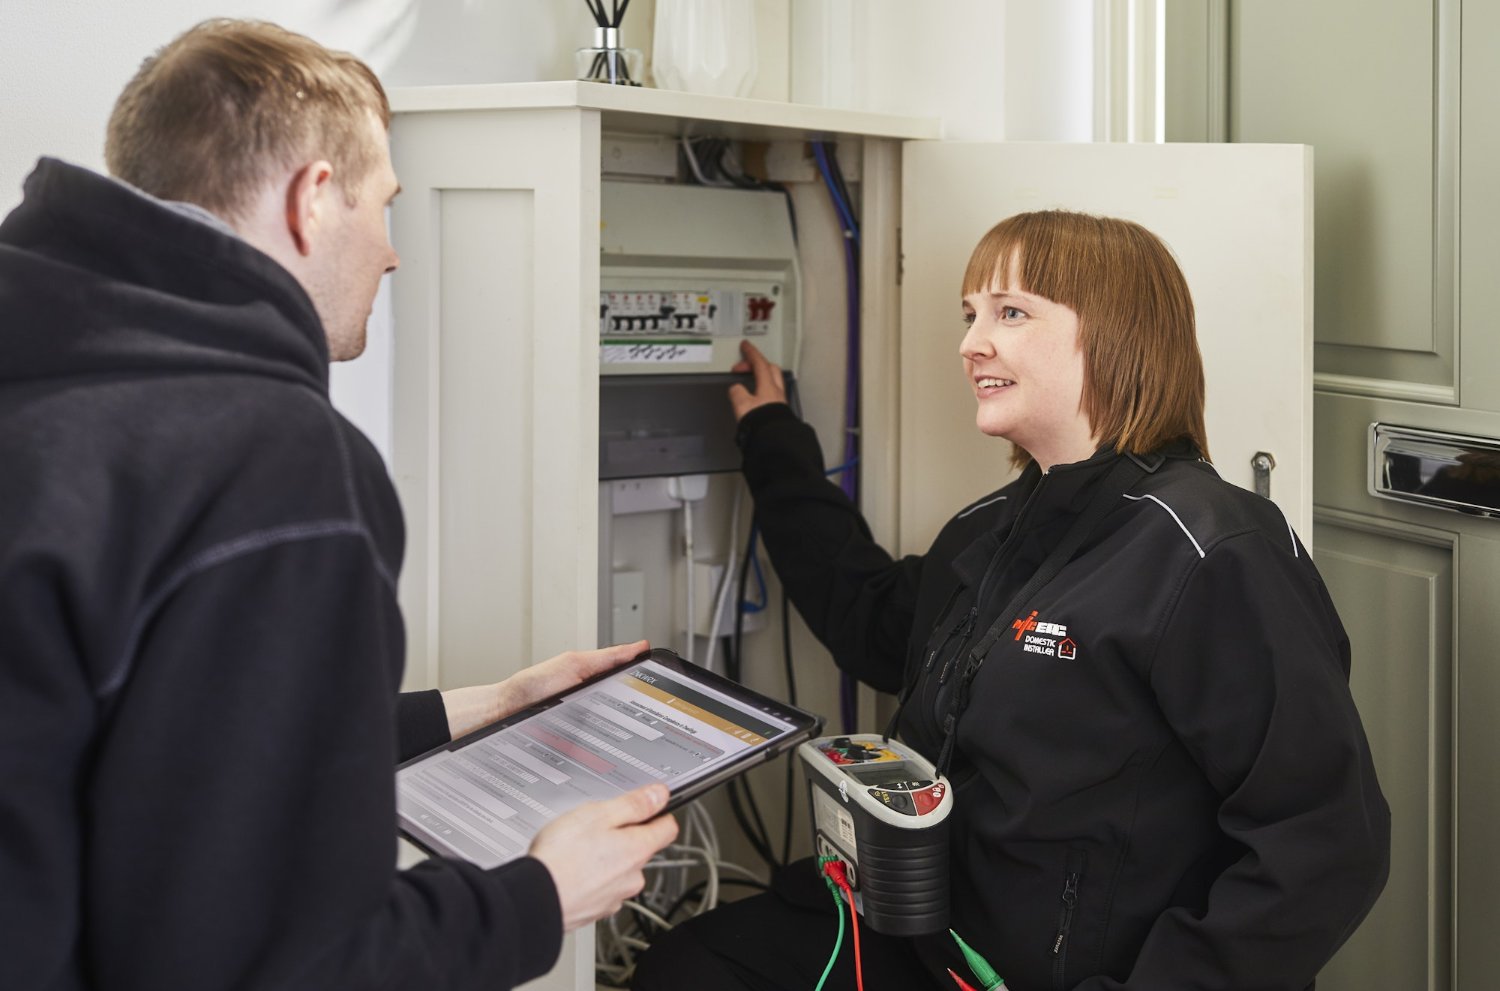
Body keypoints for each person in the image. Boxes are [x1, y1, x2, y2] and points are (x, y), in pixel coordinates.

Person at [0, 19, 677, 991]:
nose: (394, 253)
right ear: (314, 199)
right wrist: (541, 894)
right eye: (385, 207)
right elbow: (274, 961)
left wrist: (485, 708)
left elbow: (151, 730)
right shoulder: (271, 461)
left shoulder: (56, 375)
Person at [633, 210, 1391, 990]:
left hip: (1078, 972)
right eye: (971, 314)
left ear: (1115, 334)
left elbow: (1325, 842)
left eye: (1011, 312)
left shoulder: (1213, 550)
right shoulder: (989, 529)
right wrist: (772, 439)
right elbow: (869, 617)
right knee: (688, 968)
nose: (971, 343)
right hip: (925, 936)